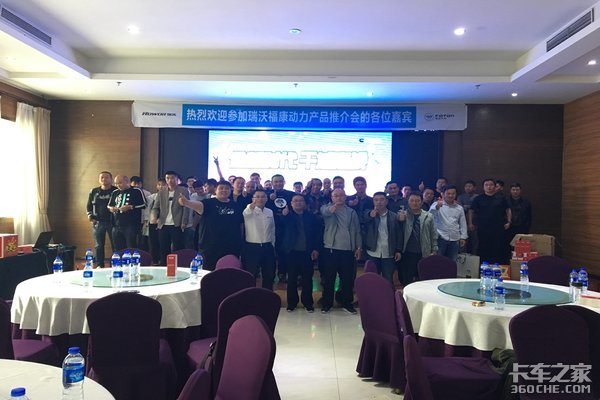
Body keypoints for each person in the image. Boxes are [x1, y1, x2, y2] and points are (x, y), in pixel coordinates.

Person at [179, 180, 243, 270]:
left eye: (226, 188)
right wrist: (186, 202)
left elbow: (240, 225)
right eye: (221, 188)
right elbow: (196, 205)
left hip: (231, 245)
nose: (224, 190)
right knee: (208, 271)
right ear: (215, 190)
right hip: (210, 245)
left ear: (230, 190)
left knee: (228, 271)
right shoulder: (207, 203)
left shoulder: (236, 206)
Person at [320, 188, 362, 314]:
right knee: (329, 278)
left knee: (347, 279)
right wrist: (333, 208)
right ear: (332, 197)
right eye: (336, 195)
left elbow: (357, 230)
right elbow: (325, 212)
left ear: (345, 197)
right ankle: (327, 304)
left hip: (348, 250)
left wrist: (358, 247)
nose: (339, 198)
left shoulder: (351, 212)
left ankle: (346, 303)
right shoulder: (326, 208)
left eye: (341, 195)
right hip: (331, 249)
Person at [281, 194, 320, 312]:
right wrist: (284, 216)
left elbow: (317, 234)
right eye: (295, 201)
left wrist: (316, 249)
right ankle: (292, 303)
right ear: (291, 204)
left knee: (307, 279)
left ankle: (308, 303)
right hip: (291, 252)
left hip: (307, 252)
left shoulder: (311, 216)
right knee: (291, 279)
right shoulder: (286, 215)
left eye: (301, 201)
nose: (298, 203)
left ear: (305, 203)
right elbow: (280, 232)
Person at [468, 178, 512, 264]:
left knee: (498, 247)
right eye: (486, 185)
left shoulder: (501, 198)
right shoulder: (478, 198)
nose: (489, 187)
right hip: (483, 227)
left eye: (491, 185)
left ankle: (497, 266)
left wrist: (509, 221)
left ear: (495, 187)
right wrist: (470, 223)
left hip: (498, 227)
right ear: (483, 187)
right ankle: (483, 266)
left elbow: (508, 209)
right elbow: (471, 210)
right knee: (483, 246)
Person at [151, 171, 190, 264]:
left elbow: (186, 207)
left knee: (178, 248)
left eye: (172, 178)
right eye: (167, 178)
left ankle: (178, 267)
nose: (170, 180)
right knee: (163, 248)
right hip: (163, 224)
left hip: (177, 224)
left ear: (177, 179)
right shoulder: (161, 192)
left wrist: (184, 222)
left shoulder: (183, 190)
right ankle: (164, 267)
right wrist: (154, 216)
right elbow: (155, 207)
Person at [399, 192, 437, 286]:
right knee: (407, 279)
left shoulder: (428, 216)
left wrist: (434, 249)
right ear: (408, 202)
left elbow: (433, 234)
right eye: (412, 200)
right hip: (407, 252)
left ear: (421, 202)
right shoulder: (403, 215)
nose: (414, 203)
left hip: (424, 251)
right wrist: (400, 220)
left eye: (417, 201)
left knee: (422, 278)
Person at [364, 192, 403, 284]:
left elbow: (399, 234)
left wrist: (398, 250)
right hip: (372, 252)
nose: (379, 202)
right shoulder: (369, 214)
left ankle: (388, 294)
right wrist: (370, 215)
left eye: (382, 199)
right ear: (373, 201)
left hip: (389, 252)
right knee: (372, 279)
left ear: (386, 201)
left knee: (388, 279)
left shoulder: (393, 216)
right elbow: (365, 219)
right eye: (376, 200)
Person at [242, 190, 276, 289]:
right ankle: (250, 295)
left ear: (266, 199)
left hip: (267, 246)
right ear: (253, 199)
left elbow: (272, 229)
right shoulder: (249, 209)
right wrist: (251, 206)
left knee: (269, 274)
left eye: (262, 196)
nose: (260, 199)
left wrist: (272, 244)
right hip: (252, 247)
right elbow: (246, 213)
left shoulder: (269, 211)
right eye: (257, 196)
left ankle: (267, 295)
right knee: (250, 274)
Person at [266, 174, 296, 283]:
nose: (278, 183)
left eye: (280, 181)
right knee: (271, 253)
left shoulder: (291, 194)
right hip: (270, 227)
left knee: (285, 252)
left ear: (284, 182)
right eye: (276, 181)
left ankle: (284, 273)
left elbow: (298, 205)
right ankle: (271, 275)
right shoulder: (266, 194)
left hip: (286, 228)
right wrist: (269, 198)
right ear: (272, 183)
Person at [429, 184, 467, 261]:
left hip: (455, 238)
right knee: (438, 261)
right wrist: (437, 207)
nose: (450, 195)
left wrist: (463, 237)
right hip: (440, 237)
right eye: (448, 193)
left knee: (452, 262)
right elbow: (429, 216)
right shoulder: (437, 204)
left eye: (453, 193)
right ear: (443, 194)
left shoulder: (459, 208)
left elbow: (463, 223)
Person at [107, 175, 146, 251]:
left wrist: (131, 207)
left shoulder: (136, 190)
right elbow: (109, 205)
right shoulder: (115, 192)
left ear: (127, 182)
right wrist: (111, 208)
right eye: (116, 183)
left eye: (120, 183)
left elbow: (144, 204)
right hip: (116, 224)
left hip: (131, 225)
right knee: (117, 248)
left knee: (131, 247)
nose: (118, 185)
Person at [86, 171, 116, 267]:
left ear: (111, 179)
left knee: (115, 244)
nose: (104, 179)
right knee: (98, 245)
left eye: (106, 177)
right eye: (102, 177)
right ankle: (100, 265)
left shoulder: (115, 191)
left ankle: (115, 265)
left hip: (113, 222)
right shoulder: (94, 191)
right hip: (98, 222)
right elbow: (89, 206)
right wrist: (90, 217)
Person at [130, 176, 152, 251]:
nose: (137, 185)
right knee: (132, 239)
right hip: (133, 220)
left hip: (144, 219)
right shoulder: (129, 192)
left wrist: (146, 219)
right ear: (130, 183)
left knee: (142, 239)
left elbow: (148, 207)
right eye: (134, 183)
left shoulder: (147, 193)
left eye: (139, 183)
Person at [457, 180, 479, 254]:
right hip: (462, 222)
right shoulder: (460, 197)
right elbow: (460, 208)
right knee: (463, 242)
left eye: (470, 186)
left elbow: (477, 209)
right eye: (466, 186)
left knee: (475, 242)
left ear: (474, 188)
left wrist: (466, 206)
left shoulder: (478, 197)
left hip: (475, 222)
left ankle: (474, 257)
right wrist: (469, 207)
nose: (467, 188)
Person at [148, 179, 166, 264]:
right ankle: (154, 260)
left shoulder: (168, 196)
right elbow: (148, 209)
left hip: (163, 222)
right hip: (152, 222)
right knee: (153, 241)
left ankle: (162, 261)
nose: (161, 186)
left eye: (163, 185)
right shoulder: (152, 197)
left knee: (162, 243)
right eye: (159, 184)